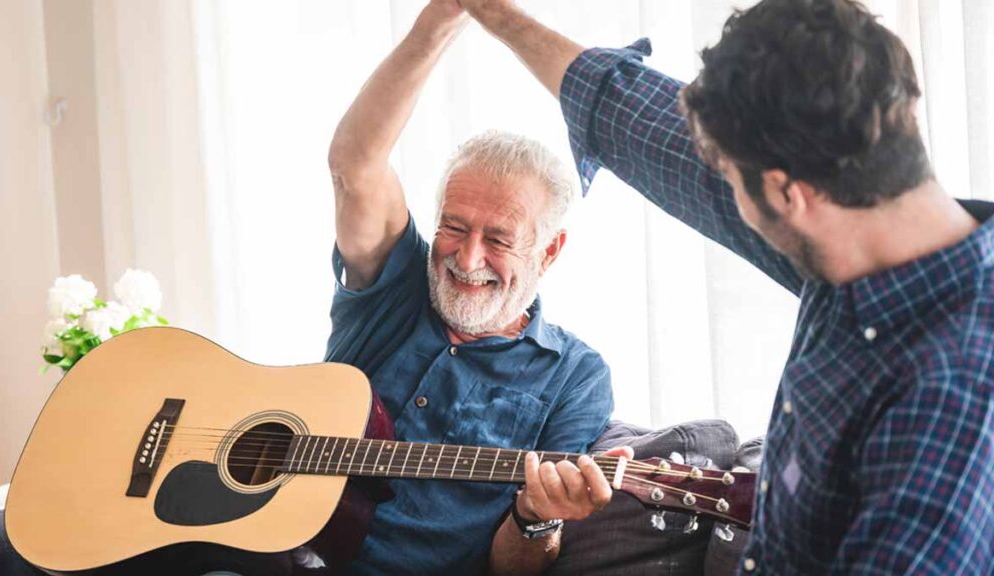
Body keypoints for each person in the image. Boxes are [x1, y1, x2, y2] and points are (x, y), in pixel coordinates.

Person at [456, 0, 994, 573]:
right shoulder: (860, 212)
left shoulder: (953, 395)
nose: (722, 193)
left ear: (791, 195)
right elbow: (636, 118)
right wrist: (491, 12)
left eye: (732, 181)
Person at [324, 1, 629, 574]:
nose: (466, 258)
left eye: (498, 239)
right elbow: (354, 164)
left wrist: (538, 516)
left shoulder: (575, 376)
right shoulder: (397, 286)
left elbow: (517, 567)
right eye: (454, 227)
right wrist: (438, 21)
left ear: (550, 251)